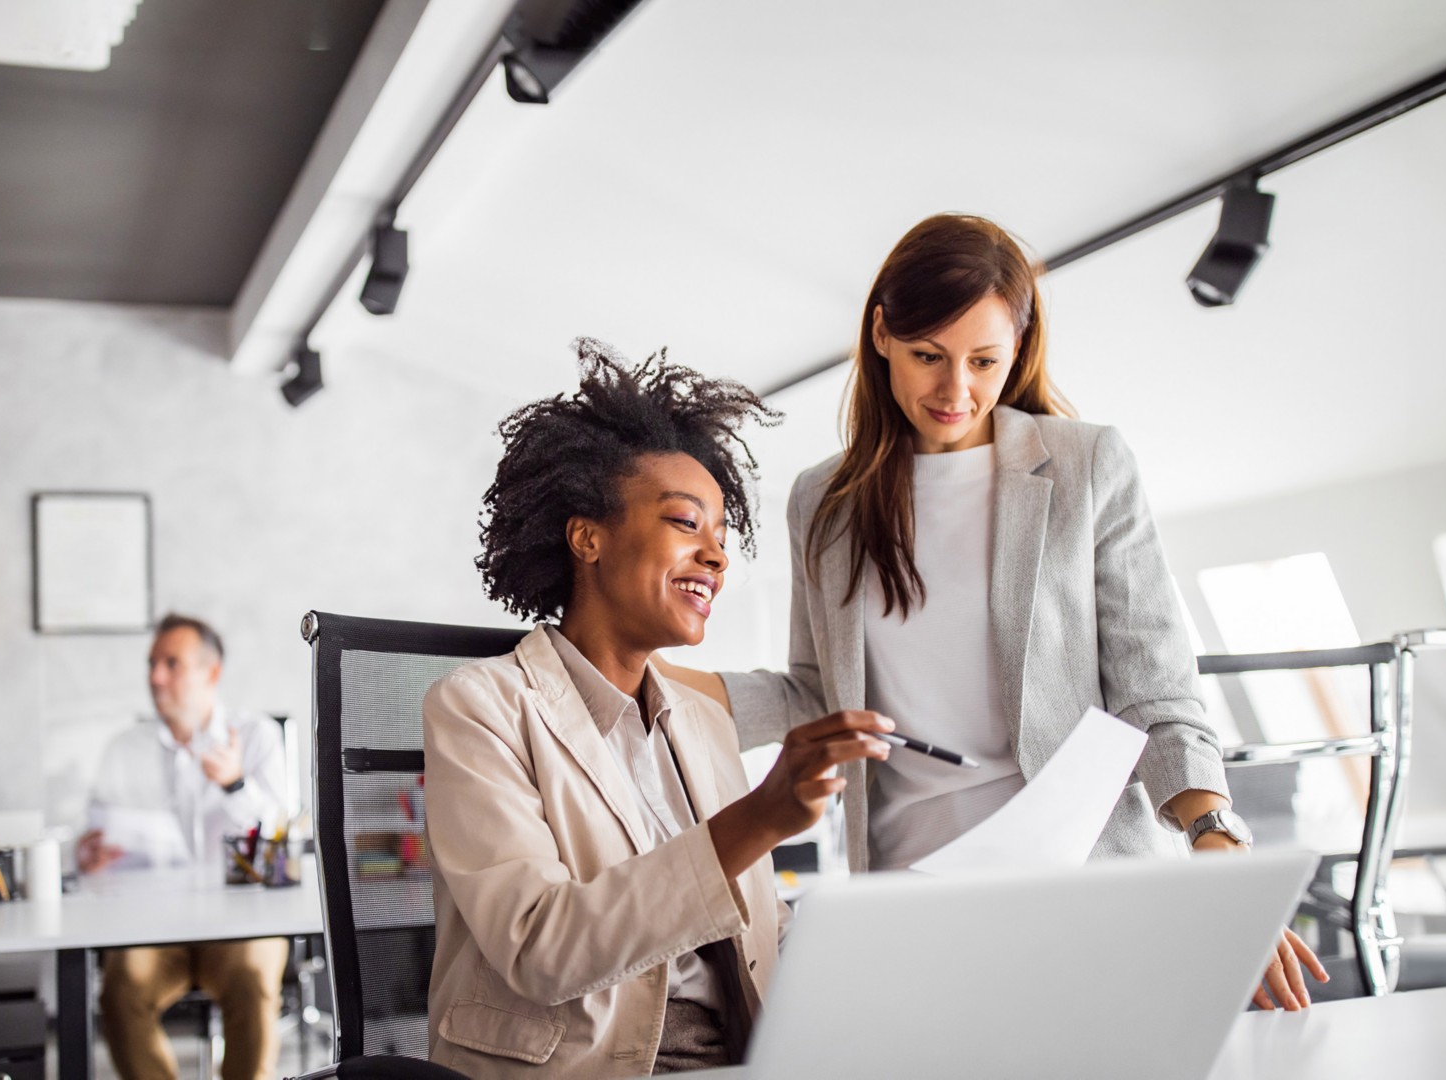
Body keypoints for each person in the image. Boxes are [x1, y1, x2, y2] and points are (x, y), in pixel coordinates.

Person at [656, 213, 1329, 1011]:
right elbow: (816, 694)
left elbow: (1156, 692)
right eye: (928, 357)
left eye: (984, 360)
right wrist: (646, 680)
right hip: (914, 898)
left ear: (1019, 346)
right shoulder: (825, 501)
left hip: (1082, 886)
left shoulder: (1086, 466)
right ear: (881, 335)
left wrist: (1216, 840)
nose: (955, 391)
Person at [422, 341, 893, 1078]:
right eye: (685, 523)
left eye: (721, 536)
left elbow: (749, 927)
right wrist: (760, 817)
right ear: (588, 538)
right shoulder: (478, 710)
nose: (716, 556)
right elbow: (540, 946)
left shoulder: (701, 723)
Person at [76, 613, 289, 1080]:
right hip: (151, 926)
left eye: (171, 663)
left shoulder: (257, 739)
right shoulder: (123, 749)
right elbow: (95, 834)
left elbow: (277, 841)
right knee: (120, 988)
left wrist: (235, 785)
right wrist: (87, 856)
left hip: (240, 922)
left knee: (254, 978)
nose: (155, 677)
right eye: (152, 664)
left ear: (211, 672)